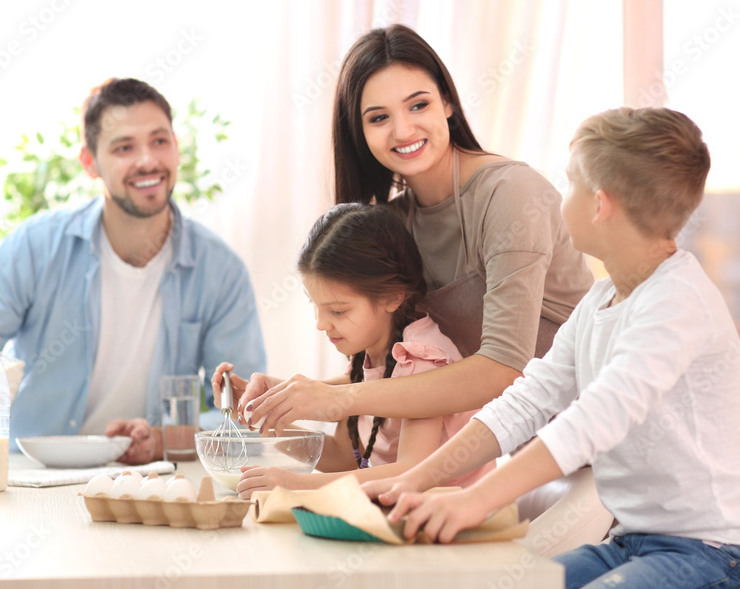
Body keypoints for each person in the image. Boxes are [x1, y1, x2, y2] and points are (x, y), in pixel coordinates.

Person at [364, 108, 740, 588]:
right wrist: (413, 480)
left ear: (599, 205)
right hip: (633, 541)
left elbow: (594, 419)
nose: (561, 202)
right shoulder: (602, 298)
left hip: (717, 552)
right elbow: (528, 400)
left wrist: (475, 500)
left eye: (570, 185)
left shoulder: (676, 303)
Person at [238, 24, 595, 436]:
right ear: (359, 131)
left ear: (446, 101)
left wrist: (338, 400)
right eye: (378, 118)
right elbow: (406, 371)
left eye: (418, 105)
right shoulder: (394, 223)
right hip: (517, 445)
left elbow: (503, 369)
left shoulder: (510, 194)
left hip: (591, 439)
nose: (403, 130)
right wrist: (284, 396)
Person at [0, 78, 266, 464]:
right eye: (124, 147)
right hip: (33, 474)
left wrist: (168, 439)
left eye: (159, 140)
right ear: (89, 162)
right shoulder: (36, 245)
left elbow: (243, 412)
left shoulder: (220, 270)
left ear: (177, 148)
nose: (147, 160)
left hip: (150, 480)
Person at [214, 204, 494, 498]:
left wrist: (296, 485)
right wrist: (267, 414)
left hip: (448, 527)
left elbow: (412, 473)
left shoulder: (420, 360)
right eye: (316, 305)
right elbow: (343, 458)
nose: (322, 324)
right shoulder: (367, 355)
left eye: (337, 310)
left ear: (392, 297)